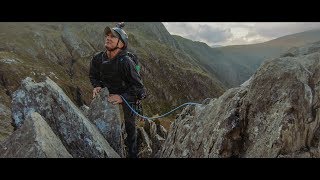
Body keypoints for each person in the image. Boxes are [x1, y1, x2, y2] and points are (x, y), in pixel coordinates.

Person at [89, 22, 146, 158]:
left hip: (127, 94)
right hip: (109, 93)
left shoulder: (126, 62)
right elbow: (93, 75)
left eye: (112, 37)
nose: (108, 38)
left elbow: (140, 90)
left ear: (121, 44)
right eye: (107, 36)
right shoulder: (98, 58)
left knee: (130, 127)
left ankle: (132, 154)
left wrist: (122, 98)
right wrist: (97, 86)